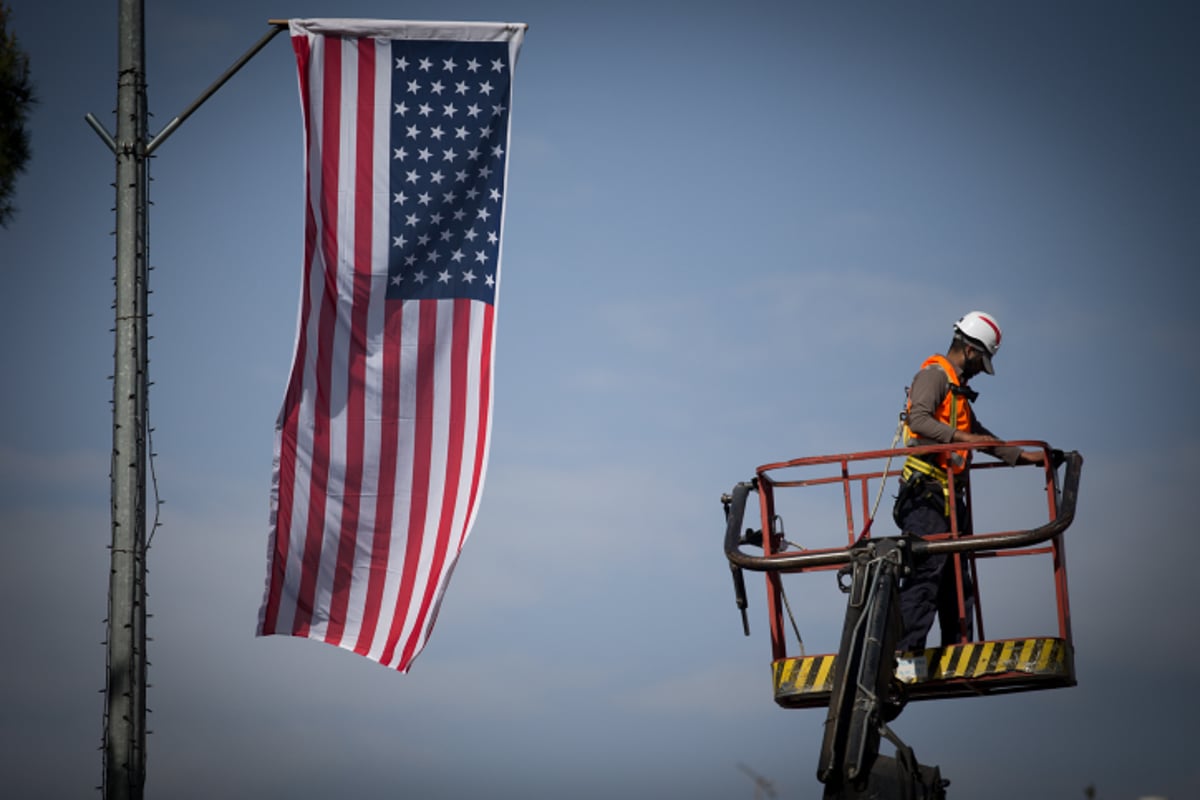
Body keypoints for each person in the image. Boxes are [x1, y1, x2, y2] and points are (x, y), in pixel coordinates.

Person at [893, 311, 1043, 653]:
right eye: (982, 362)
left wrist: (1023, 457)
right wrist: (960, 437)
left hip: (947, 498)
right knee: (926, 575)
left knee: (958, 578)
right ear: (972, 350)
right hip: (925, 495)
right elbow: (918, 420)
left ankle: (960, 651)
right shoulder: (933, 376)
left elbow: (977, 435)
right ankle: (904, 655)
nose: (981, 371)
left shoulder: (956, 390)